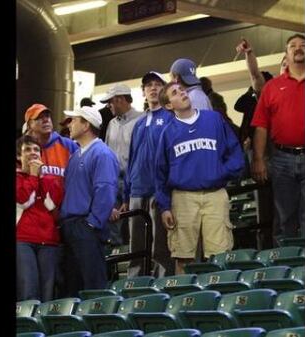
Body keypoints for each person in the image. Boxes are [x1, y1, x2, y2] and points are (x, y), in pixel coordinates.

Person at [155, 82, 245, 275]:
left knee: (219, 256)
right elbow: (160, 173)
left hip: (215, 194)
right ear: (169, 106)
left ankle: (218, 299)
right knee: (183, 257)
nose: (182, 93)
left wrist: (221, 172)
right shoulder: (167, 133)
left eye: (182, 89)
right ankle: (184, 300)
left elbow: (236, 153)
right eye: (174, 93)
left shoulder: (213, 119)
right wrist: (165, 207)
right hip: (183, 198)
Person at [250, 34, 305, 242]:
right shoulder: (272, 87)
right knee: (285, 219)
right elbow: (261, 125)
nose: (298, 48)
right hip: (282, 158)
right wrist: (258, 159)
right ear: (286, 53)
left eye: (303, 45)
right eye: (293, 45)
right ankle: (284, 267)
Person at [60, 106, 120, 296]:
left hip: (86, 226)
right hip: (71, 225)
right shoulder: (76, 154)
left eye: (74, 120)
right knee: (73, 285)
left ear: (86, 125)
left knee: (92, 286)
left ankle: (96, 324)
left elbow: (105, 190)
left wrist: (92, 223)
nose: (70, 124)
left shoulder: (102, 153)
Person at [23, 103, 78, 298]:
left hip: (63, 221)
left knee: (61, 279)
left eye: (47, 116)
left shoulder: (67, 145)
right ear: (29, 124)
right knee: (29, 286)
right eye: (40, 118)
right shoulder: (24, 150)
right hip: (29, 229)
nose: (46, 120)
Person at [124, 71, 175, 278]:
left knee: (160, 246)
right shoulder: (138, 124)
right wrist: (126, 194)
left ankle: (162, 285)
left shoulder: (171, 118)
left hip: (158, 190)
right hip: (137, 190)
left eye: (157, 84)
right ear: (143, 92)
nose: (153, 88)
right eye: (148, 86)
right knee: (136, 245)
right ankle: (134, 286)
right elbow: (132, 158)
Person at [16, 135, 65, 302]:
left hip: (49, 241)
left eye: (36, 150)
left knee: (47, 295)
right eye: (27, 150)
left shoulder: (51, 180)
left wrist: (41, 177)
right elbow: (23, 199)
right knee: (28, 290)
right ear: (18, 156)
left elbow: (55, 207)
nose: (33, 153)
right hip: (23, 240)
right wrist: (33, 177)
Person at [100, 83, 144, 246]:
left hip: (134, 182)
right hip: (113, 181)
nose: (108, 106)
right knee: (114, 226)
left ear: (119, 100)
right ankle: (117, 265)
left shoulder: (142, 119)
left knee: (135, 228)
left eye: (110, 102)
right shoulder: (112, 124)